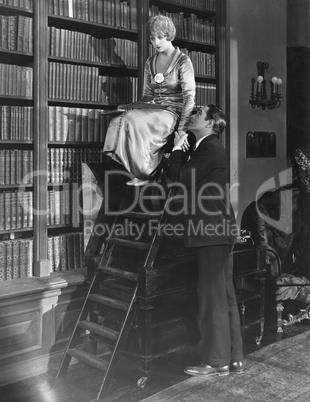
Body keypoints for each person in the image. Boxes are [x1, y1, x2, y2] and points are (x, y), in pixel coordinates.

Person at [170, 105, 244, 377]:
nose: (192, 115)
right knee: (224, 296)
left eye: (198, 113)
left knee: (212, 299)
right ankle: (233, 357)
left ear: (212, 123)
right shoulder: (207, 147)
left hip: (211, 232)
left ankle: (216, 362)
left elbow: (179, 179)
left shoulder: (208, 148)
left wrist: (177, 149)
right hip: (217, 231)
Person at [103, 15, 196, 186]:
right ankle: (140, 170)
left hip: (172, 113)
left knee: (130, 119)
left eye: (160, 37)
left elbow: (189, 99)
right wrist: (135, 107)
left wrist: (182, 128)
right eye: (152, 38)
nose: (156, 42)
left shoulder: (183, 60)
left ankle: (148, 172)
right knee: (117, 120)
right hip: (153, 111)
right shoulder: (150, 62)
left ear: (169, 35)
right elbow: (147, 95)